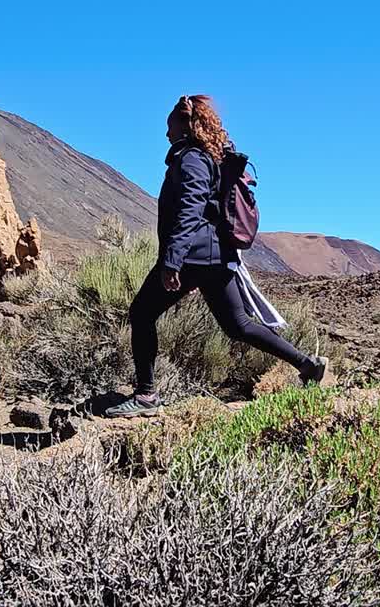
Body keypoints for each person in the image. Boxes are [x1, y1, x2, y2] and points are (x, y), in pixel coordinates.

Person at [106, 95, 328, 417]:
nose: (167, 135)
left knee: (141, 313)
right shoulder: (209, 157)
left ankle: (145, 396)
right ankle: (306, 364)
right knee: (237, 324)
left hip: (194, 256)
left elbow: (190, 212)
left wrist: (172, 261)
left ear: (185, 125)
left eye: (170, 127)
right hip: (215, 257)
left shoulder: (193, 159)